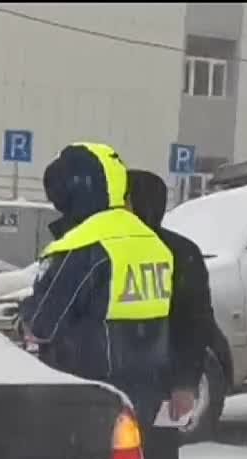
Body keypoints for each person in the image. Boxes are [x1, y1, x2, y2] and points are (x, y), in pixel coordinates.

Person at [19, 143, 175, 435]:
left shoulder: (84, 244)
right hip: (146, 390)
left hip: (88, 393)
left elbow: (43, 324)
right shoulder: (150, 240)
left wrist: (24, 311)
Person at [126, 169, 215, 459]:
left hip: (158, 387)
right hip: (127, 385)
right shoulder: (112, 249)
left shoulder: (180, 254)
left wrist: (184, 383)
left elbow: (195, 325)